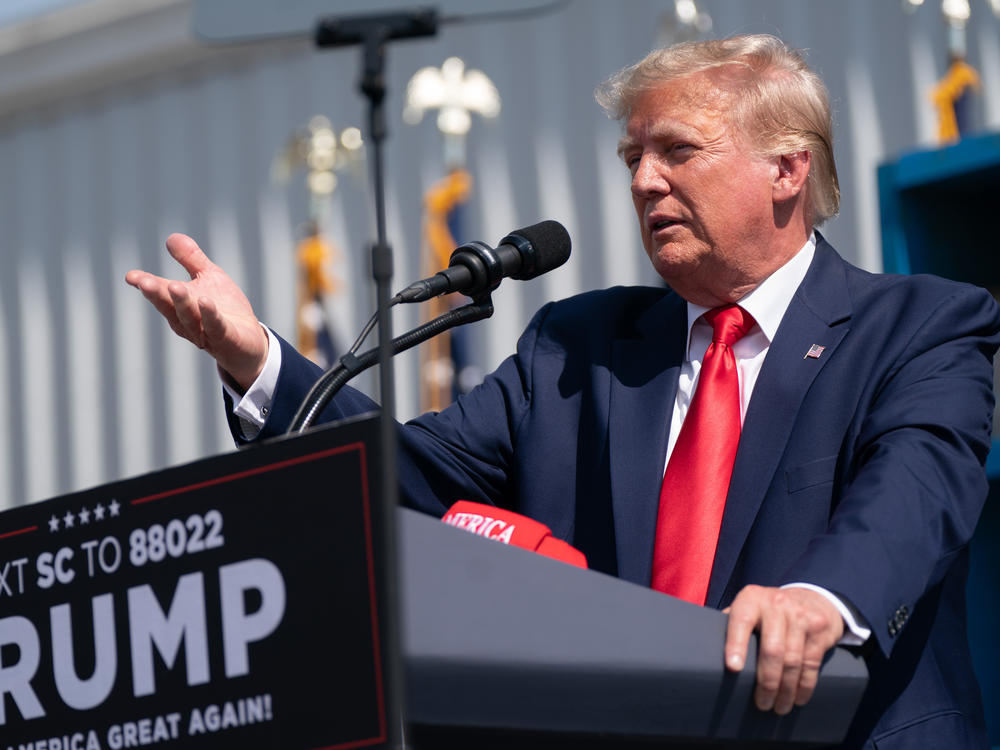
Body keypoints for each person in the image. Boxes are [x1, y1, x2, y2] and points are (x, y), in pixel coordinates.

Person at [126, 35, 999, 749]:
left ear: (787, 169)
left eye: (678, 151)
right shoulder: (576, 350)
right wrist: (259, 364)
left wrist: (821, 598)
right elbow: (412, 478)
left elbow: (917, 491)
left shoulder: (922, 325)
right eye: (633, 157)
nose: (644, 181)